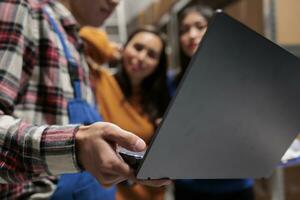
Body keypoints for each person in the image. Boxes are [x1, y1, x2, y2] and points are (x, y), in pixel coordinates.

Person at [0, 0, 169, 199]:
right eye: (137, 47)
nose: (116, 3)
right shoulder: (26, 10)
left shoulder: (74, 45)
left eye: (151, 54)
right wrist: (76, 147)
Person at [173, 4, 254, 200]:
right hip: (189, 186)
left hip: (235, 185)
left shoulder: (244, 78)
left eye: (200, 26)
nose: (191, 35)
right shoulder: (172, 82)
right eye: (184, 30)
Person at [80, 26, 171, 200]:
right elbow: (81, 36)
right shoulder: (102, 80)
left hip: (151, 192)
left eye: (151, 55)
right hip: (109, 192)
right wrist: (109, 50)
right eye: (137, 48)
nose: (141, 57)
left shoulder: (159, 99)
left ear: (158, 65)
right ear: (124, 47)